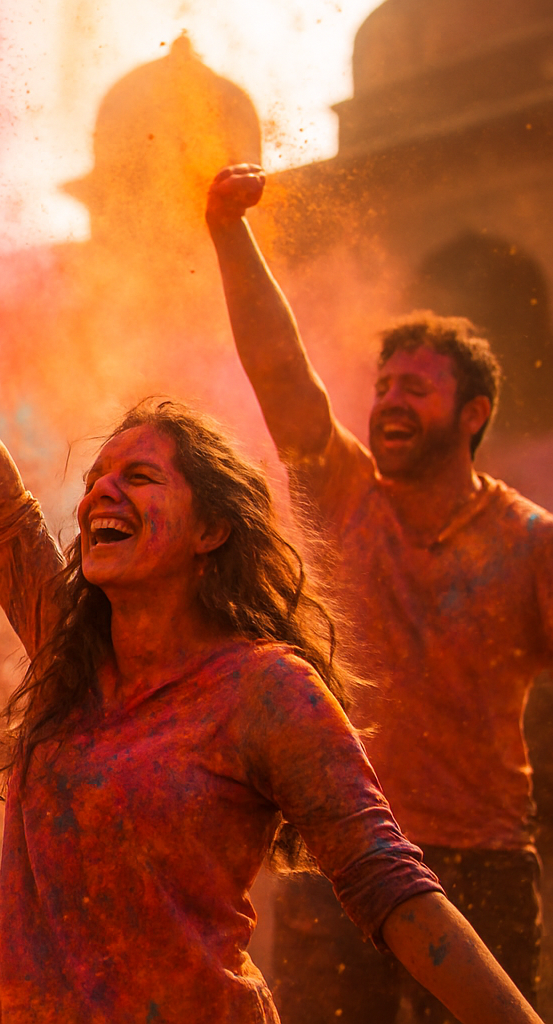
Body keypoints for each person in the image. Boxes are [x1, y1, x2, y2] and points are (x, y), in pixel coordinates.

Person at [0, 147, 544, 1023]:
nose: (103, 491)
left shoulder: (265, 691)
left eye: (141, 478)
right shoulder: (65, 638)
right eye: (99, 476)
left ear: (213, 529)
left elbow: (389, 884)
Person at [207, 163, 553, 1022]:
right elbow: (283, 375)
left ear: (473, 416)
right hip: (342, 850)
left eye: (417, 388)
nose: (389, 402)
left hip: (481, 866)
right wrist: (228, 233)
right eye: (384, 386)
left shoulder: (531, 543)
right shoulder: (350, 496)